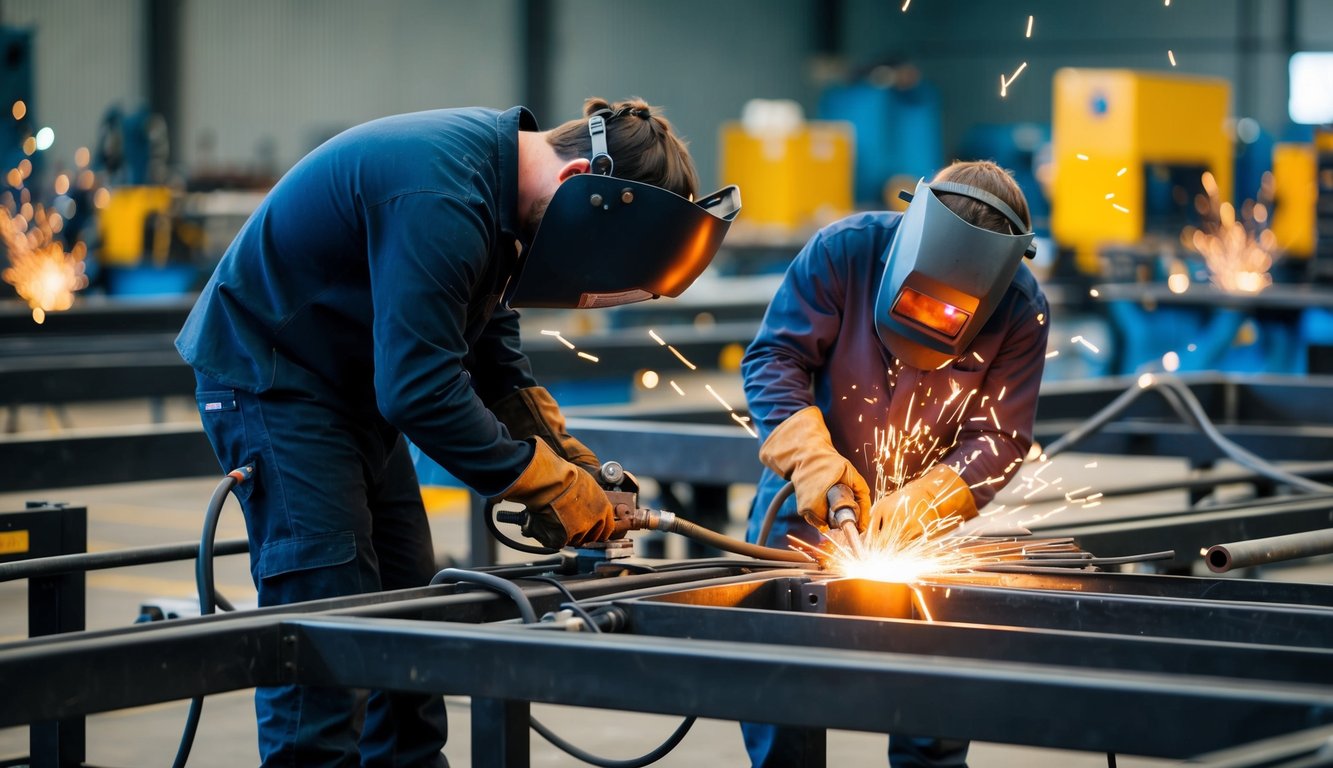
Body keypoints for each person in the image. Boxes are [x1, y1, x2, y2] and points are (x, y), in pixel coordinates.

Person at [176, 97, 739, 767]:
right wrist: (545, 485)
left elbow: (495, 365)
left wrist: (569, 463)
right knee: (329, 620)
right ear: (576, 181)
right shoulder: (445, 196)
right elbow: (419, 390)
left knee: (409, 615)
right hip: (272, 380)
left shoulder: (504, 213)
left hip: (350, 392)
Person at [740, 160, 1050, 768]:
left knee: (930, 715)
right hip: (803, 512)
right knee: (782, 702)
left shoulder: (1019, 308)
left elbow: (1002, 436)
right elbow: (774, 358)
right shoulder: (845, 251)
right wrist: (813, 461)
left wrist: (932, 496)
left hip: (922, 539)